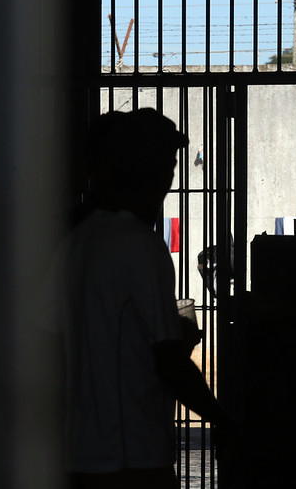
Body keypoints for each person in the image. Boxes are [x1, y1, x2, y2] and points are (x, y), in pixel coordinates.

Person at [40, 109, 232, 489]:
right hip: (132, 456)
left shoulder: (74, 242)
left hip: (78, 455)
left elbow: (51, 338)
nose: (168, 179)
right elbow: (168, 362)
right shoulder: (141, 246)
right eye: (166, 167)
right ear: (145, 172)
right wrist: (223, 420)